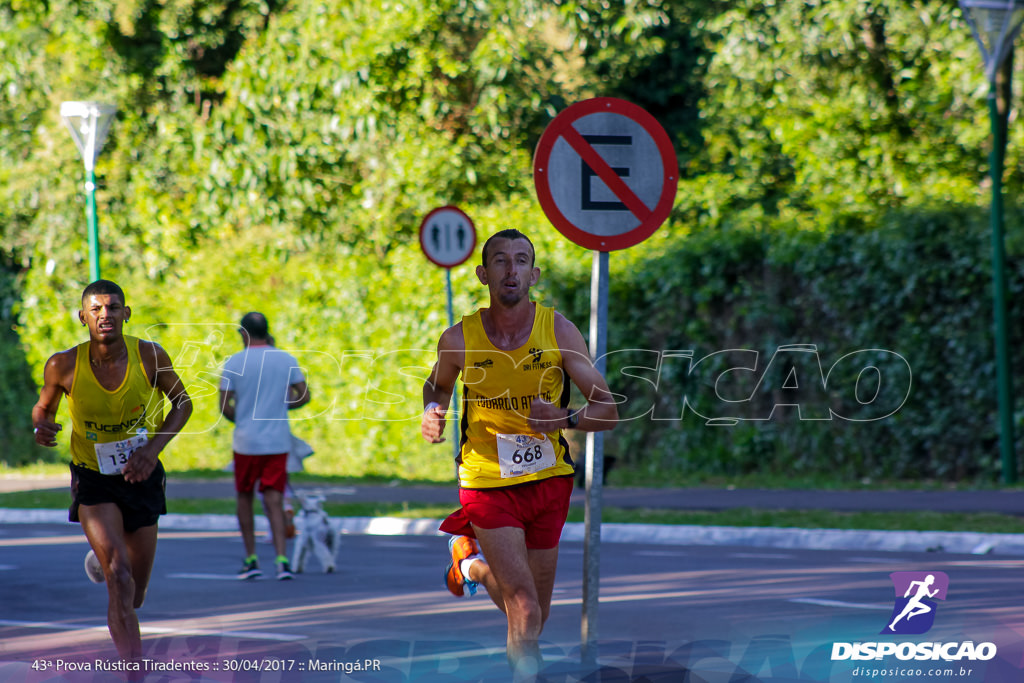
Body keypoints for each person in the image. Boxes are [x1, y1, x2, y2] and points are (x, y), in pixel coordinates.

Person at [420, 229, 618, 680]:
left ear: (535, 273)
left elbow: (607, 411)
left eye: (521, 260)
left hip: (548, 481)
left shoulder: (558, 330)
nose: (512, 270)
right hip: (487, 482)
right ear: (482, 273)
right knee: (524, 609)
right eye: (501, 261)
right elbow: (438, 384)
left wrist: (563, 419)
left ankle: (469, 563)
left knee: (532, 617)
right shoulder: (459, 339)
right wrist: (433, 408)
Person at [31, 280, 193, 665]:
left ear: (126, 314)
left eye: (114, 308)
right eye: (97, 309)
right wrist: (41, 427)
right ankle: (133, 672)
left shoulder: (150, 356)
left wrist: (151, 451)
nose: (106, 315)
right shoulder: (63, 364)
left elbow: (183, 404)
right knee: (119, 579)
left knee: (134, 593)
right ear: (83, 316)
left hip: (142, 475)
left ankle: (101, 558)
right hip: (93, 477)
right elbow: (44, 409)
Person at [219, 312, 310, 580]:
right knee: (274, 497)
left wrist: (242, 418)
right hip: (277, 439)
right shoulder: (286, 359)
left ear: (243, 333)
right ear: (267, 330)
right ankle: (282, 560)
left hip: (246, 441)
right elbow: (304, 394)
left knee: (245, 497)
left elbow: (225, 405)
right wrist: (283, 406)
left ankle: (251, 559)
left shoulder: (234, 362)